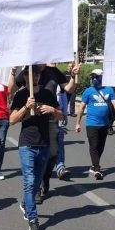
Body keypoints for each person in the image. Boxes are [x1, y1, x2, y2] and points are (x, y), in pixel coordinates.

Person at [10, 66, 61, 230]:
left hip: (44, 144)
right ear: (25, 76)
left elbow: (62, 116)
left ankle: (25, 203)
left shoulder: (47, 94)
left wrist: (53, 110)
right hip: (27, 144)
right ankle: (33, 220)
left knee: (35, 183)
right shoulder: (21, 95)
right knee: (29, 182)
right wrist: (26, 107)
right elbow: (12, 120)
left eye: (38, 74)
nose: (36, 77)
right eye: (32, 74)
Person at [35, 62, 79, 202]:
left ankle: (45, 177)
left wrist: (73, 76)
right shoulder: (30, 69)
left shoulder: (54, 71)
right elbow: (13, 88)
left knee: (53, 153)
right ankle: (37, 188)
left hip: (51, 116)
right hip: (33, 118)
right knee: (36, 154)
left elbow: (68, 89)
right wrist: (12, 72)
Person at [74, 69, 115, 180]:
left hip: (104, 124)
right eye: (92, 77)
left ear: (102, 77)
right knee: (93, 146)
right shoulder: (88, 91)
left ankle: (94, 165)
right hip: (91, 124)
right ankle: (97, 168)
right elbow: (81, 108)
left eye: (96, 77)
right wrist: (77, 123)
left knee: (101, 147)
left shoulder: (109, 90)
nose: (94, 79)